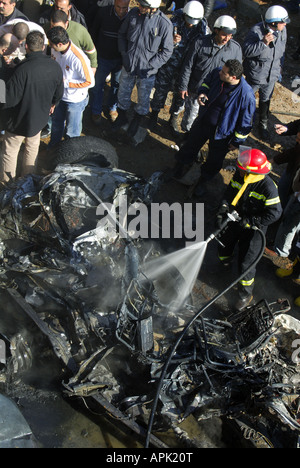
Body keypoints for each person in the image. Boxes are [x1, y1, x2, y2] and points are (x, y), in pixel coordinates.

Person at [173, 60, 256, 197]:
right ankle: (180, 165)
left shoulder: (246, 95)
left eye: (224, 72)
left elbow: (246, 122)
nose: (220, 72)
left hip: (222, 134)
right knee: (190, 145)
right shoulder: (217, 73)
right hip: (203, 121)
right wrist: (203, 92)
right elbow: (206, 82)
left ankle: (203, 181)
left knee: (214, 160)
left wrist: (236, 141)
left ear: (233, 77)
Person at [216, 148, 282, 311]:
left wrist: (252, 221)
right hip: (237, 218)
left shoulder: (268, 186)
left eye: (242, 168)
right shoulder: (241, 176)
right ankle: (225, 262)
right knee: (224, 241)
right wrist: (222, 210)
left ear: (251, 171)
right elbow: (230, 192)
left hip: (254, 228)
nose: (238, 170)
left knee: (247, 263)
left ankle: (245, 294)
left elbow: (275, 213)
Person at [0, 30, 64, 182]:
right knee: (32, 150)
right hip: (39, 120)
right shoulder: (54, 66)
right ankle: (27, 181)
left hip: (17, 122)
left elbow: (9, 100)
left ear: (26, 46)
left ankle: (7, 184)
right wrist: (53, 104)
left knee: (10, 152)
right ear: (43, 47)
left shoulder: (22, 70)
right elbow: (59, 92)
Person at [114, 0, 173, 138]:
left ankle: (137, 120)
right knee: (123, 91)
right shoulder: (134, 14)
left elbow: (167, 51)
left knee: (143, 98)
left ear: (153, 8)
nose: (139, 7)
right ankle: (121, 116)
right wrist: (124, 55)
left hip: (147, 72)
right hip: (129, 65)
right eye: (139, 4)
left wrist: (151, 65)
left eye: (143, 6)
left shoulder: (164, 24)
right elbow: (122, 35)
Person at [149, 1, 209, 133]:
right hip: (169, 65)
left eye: (194, 21)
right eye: (189, 20)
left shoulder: (203, 29)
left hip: (186, 69)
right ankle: (154, 114)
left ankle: (173, 118)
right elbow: (159, 41)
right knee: (160, 90)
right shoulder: (173, 21)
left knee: (181, 96)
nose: (191, 24)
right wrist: (171, 41)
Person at [177, 15, 242, 133]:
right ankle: (185, 134)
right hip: (196, 89)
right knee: (189, 117)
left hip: (216, 94)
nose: (227, 38)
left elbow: (236, 74)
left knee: (206, 120)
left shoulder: (235, 49)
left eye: (230, 35)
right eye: (224, 34)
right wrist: (183, 86)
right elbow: (188, 66)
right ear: (216, 30)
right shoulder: (200, 43)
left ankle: (192, 137)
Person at [242, 5, 290, 141]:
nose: (285, 24)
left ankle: (262, 125)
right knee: (247, 100)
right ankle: (244, 124)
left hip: (271, 75)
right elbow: (246, 51)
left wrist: (280, 66)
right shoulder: (256, 32)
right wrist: (262, 43)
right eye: (282, 21)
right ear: (274, 22)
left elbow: (282, 50)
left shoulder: (283, 31)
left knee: (265, 100)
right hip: (256, 75)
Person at [46, 26, 95, 148]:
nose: (49, 46)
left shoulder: (78, 58)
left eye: (52, 44)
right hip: (60, 97)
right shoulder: (55, 50)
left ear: (60, 44)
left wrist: (66, 83)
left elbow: (90, 81)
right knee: (57, 125)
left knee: (72, 131)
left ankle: (70, 154)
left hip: (75, 101)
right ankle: (53, 149)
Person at [89, 0, 129, 125]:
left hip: (119, 60)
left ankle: (112, 108)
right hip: (103, 57)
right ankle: (96, 110)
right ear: (114, 3)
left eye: (124, 8)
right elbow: (94, 33)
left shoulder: (131, 17)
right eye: (118, 7)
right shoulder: (103, 13)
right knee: (97, 86)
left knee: (116, 86)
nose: (121, 11)